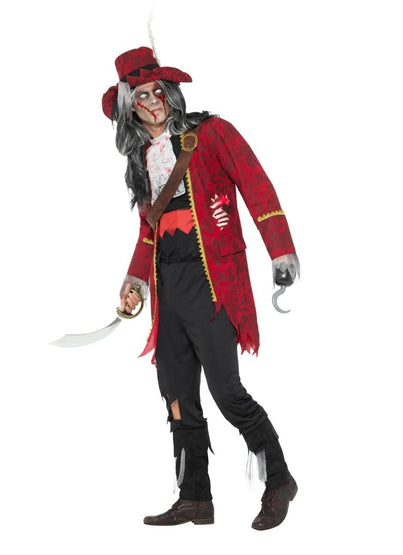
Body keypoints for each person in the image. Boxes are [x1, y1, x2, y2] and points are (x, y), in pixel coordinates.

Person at [102, 46, 300, 530]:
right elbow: (149, 230)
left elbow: (256, 184)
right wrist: (135, 282)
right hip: (168, 287)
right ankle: (195, 498)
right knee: (175, 394)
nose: (151, 102)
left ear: (169, 93)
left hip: (213, 280)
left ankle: (279, 481)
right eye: (139, 96)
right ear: (129, 107)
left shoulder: (211, 133)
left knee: (226, 391)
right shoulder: (141, 157)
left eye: (156, 91)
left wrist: (280, 251)